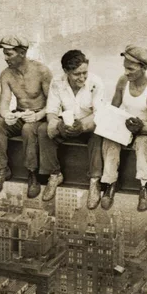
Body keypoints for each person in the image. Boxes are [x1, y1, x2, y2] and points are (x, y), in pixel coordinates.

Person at [0, 36, 52, 198]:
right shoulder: (6, 74)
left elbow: (53, 102)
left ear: (22, 53)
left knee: (28, 129)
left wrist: (38, 115)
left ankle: (32, 174)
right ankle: (2, 169)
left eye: (9, 54)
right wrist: (7, 115)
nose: (5, 58)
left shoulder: (42, 71)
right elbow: (4, 102)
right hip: (21, 113)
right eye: (4, 53)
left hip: (40, 116)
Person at [38, 49, 104, 207]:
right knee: (43, 131)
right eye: (77, 74)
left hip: (88, 124)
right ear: (66, 71)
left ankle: (95, 181)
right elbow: (52, 110)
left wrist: (82, 126)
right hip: (67, 123)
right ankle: (54, 174)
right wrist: (55, 124)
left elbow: (99, 113)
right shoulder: (57, 82)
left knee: (98, 134)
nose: (82, 78)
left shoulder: (95, 82)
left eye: (84, 73)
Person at [100, 45, 147, 211]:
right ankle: (110, 182)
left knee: (142, 145)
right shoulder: (123, 81)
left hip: (142, 129)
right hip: (124, 124)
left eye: (131, 69)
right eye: (125, 68)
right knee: (110, 140)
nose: (126, 72)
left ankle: (144, 185)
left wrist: (141, 126)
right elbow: (114, 107)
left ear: (143, 68)